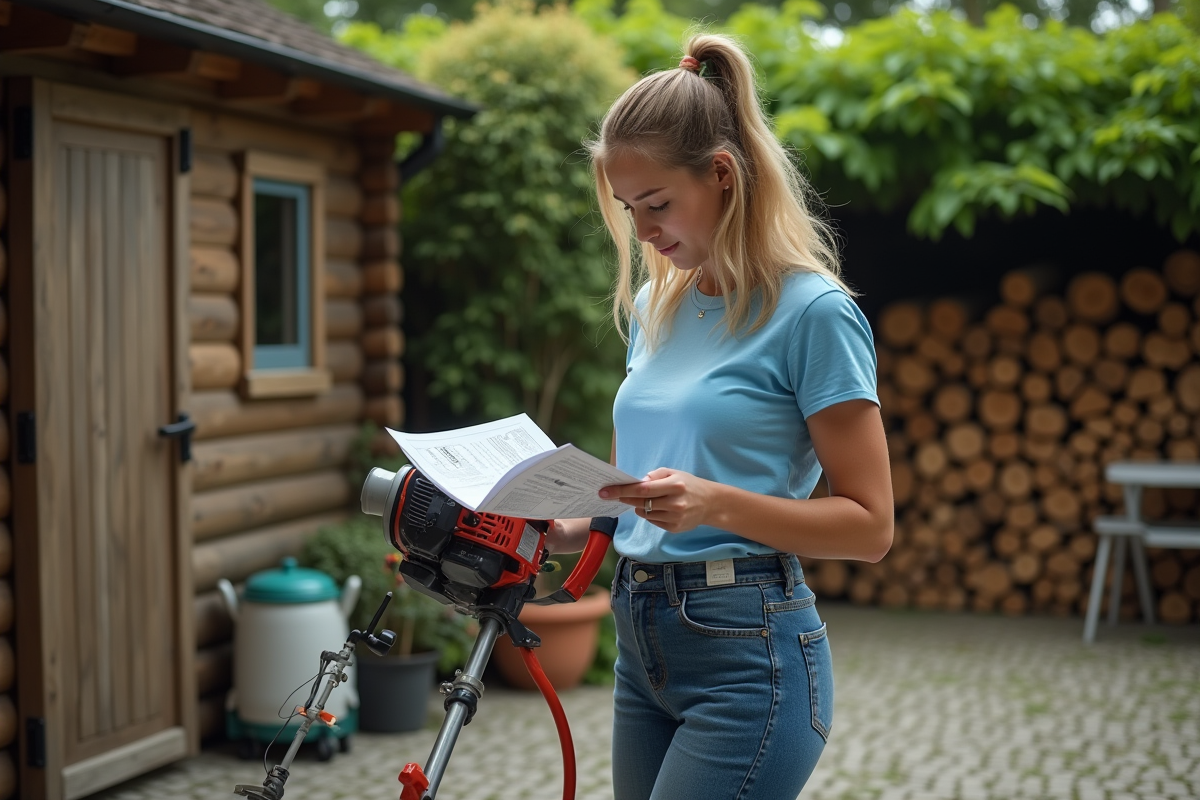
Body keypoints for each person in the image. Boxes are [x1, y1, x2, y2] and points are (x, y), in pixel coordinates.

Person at [546, 33, 894, 800]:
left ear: (723, 175)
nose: (643, 231)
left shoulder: (814, 313)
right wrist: (557, 523)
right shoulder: (655, 305)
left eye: (658, 204)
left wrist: (714, 504)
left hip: (749, 653)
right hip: (640, 642)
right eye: (629, 209)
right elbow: (633, 491)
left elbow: (871, 526)